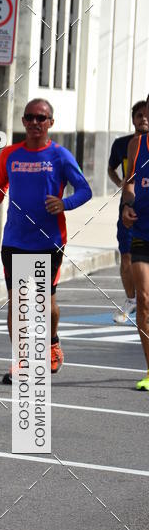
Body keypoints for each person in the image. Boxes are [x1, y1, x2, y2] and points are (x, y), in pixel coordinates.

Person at [0, 98, 92, 384]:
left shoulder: (60, 155)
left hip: (49, 239)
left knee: (45, 303)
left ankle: (52, 342)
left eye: (41, 118)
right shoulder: (10, 154)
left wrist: (64, 203)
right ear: (23, 121)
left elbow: (85, 190)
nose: (34, 122)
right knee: (18, 302)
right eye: (29, 117)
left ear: (50, 123)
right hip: (15, 239)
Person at [107, 101, 149, 323]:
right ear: (133, 118)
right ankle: (131, 300)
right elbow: (113, 170)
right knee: (126, 255)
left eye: (146, 114)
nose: (143, 118)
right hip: (132, 207)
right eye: (139, 115)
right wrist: (122, 188)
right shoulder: (125, 144)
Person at [121, 127, 149, 390]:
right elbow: (129, 182)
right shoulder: (137, 145)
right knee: (143, 300)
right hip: (143, 231)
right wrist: (127, 206)